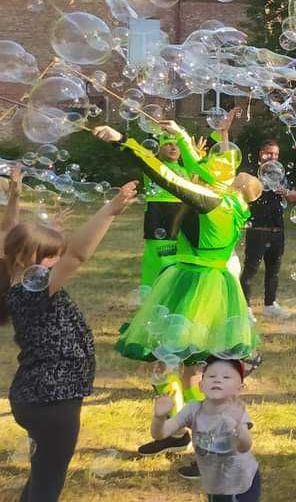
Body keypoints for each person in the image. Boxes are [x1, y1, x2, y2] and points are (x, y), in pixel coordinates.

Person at [97, 123, 263, 452]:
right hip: (216, 287)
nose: (199, 169)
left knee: (168, 359)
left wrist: (122, 142)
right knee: (192, 365)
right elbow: (195, 169)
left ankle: (189, 430)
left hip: (191, 285)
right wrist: (184, 138)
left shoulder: (210, 201)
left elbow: (166, 176)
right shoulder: (233, 203)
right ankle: (189, 433)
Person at [1, 184, 137, 502]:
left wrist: (53, 232)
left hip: (40, 396)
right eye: (51, 257)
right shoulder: (32, 291)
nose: (57, 261)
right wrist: (110, 210)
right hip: (52, 399)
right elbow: (77, 254)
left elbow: (15, 236)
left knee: (43, 473)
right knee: (49, 483)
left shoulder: (17, 282)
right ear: (23, 258)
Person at [151, 357, 259, 501]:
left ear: (239, 389)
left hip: (241, 482)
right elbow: (161, 434)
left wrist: (238, 425)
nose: (217, 380)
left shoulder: (235, 411)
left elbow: (245, 446)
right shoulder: (193, 409)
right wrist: (159, 418)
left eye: (226, 377)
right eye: (212, 376)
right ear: (201, 385)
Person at [240, 139, 296, 319]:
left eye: (276, 154)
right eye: (269, 153)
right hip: (257, 227)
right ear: (261, 154)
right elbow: (240, 194)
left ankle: (270, 304)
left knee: (274, 269)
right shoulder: (251, 174)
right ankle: (245, 307)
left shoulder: (281, 174)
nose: (272, 157)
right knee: (251, 269)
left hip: (277, 229)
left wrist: (286, 193)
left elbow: (294, 195)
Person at [140, 138, 186, 289]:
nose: (173, 147)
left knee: (179, 256)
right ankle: (150, 292)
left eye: (176, 144)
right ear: (157, 149)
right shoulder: (152, 165)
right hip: (158, 215)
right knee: (157, 256)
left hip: (181, 215)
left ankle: (173, 290)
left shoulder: (187, 170)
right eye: (167, 144)